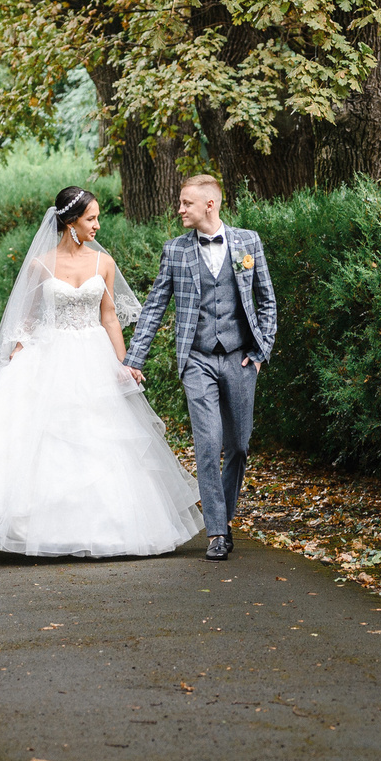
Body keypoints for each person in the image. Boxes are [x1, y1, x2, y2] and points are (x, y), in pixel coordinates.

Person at [0, 187, 203, 558]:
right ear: (70, 223)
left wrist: (125, 363)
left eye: (97, 218)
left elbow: (109, 317)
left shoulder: (104, 263)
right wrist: (16, 359)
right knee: (45, 441)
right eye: (91, 219)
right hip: (50, 354)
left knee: (100, 438)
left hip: (93, 357)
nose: (97, 226)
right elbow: (28, 319)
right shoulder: (41, 264)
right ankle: (41, 529)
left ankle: (107, 529)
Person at [123, 173, 278, 561]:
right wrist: (133, 359)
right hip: (197, 359)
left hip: (240, 358)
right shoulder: (175, 250)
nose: (179, 209)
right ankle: (217, 532)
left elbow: (267, 302)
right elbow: (155, 306)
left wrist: (261, 354)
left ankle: (222, 517)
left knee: (238, 446)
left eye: (186, 203)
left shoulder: (248, 242)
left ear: (210, 204)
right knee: (208, 444)